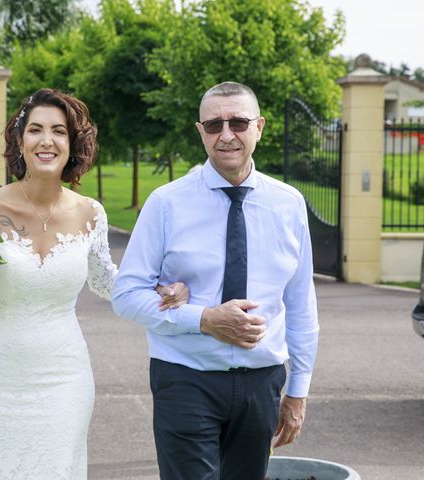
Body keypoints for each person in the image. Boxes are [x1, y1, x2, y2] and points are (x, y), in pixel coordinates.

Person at [0, 88, 189, 479]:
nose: (46, 141)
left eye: (58, 131)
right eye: (35, 130)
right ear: (20, 141)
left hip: (63, 376)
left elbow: (106, 282)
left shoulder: (91, 213)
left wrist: (160, 289)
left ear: (73, 143)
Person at [112, 81, 319, 479]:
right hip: (185, 376)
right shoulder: (166, 203)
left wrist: (298, 391)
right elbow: (126, 294)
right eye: (213, 125)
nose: (226, 135)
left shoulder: (289, 204)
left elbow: (300, 303)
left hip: (262, 382)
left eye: (238, 122)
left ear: (259, 127)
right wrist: (203, 318)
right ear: (200, 131)